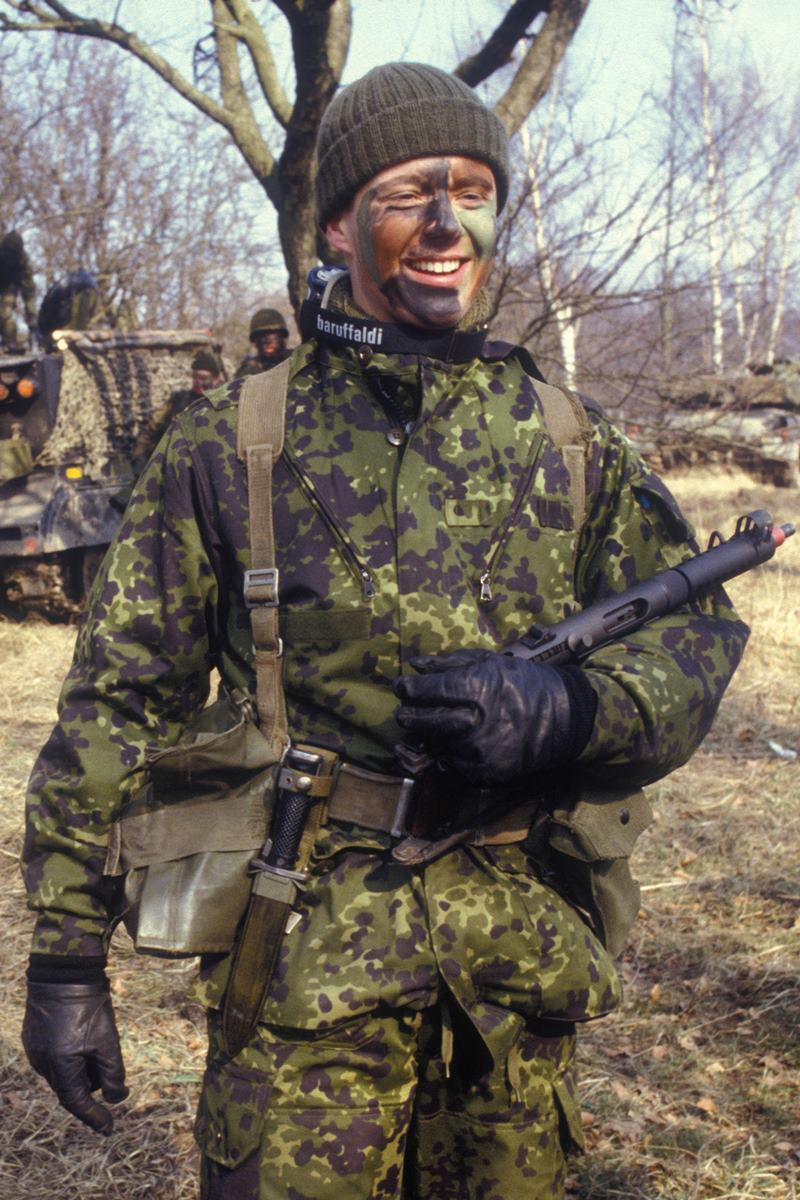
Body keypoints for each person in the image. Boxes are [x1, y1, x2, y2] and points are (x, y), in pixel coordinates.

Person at [21, 63, 748, 1200]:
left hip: (513, 981)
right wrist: (66, 961)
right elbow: (115, 705)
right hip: (304, 979)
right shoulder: (227, 444)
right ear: (340, 223)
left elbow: (694, 636)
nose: (447, 223)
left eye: (472, 189)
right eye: (412, 191)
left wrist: (577, 710)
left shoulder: (569, 439)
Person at [0, 230, 37, 352]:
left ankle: (8, 343)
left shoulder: (22, 262)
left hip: (8, 286)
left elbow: (29, 292)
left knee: (6, 314)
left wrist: (32, 322)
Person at [234, 307, 290, 376]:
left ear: (281, 335)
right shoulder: (247, 371)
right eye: (261, 334)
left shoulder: (297, 361)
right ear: (255, 340)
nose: (267, 340)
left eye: (271, 332)